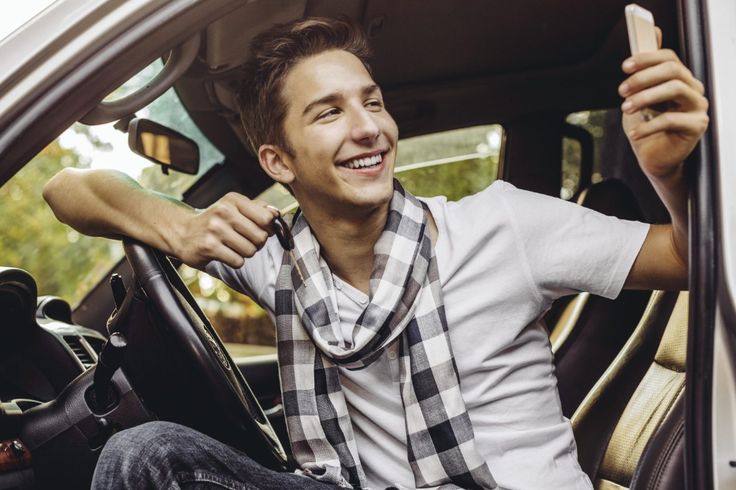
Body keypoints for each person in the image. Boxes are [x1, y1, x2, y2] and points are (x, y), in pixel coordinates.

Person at [43, 16, 708, 490]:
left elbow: (688, 257)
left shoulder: (502, 225)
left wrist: (669, 177)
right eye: (329, 113)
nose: (370, 128)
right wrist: (178, 228)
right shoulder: (273, 256)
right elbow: (69, 187)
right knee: (147, 454)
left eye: (373, 102)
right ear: (277, 161)